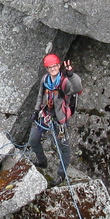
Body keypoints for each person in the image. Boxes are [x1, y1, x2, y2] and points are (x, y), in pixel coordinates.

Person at [28, 52, 83, 181]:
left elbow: (78, 89)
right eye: (50, 67)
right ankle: (42, 161)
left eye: (55, 66)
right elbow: (40, 96)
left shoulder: (64, 81)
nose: (53, 69)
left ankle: (61, 174)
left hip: (60, 119)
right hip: (45, 114)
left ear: (59, 66)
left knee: (63, 148)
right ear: (47, 69)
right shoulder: (45, 80)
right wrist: (36, 111)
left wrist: (71, 75)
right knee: (33, 139)